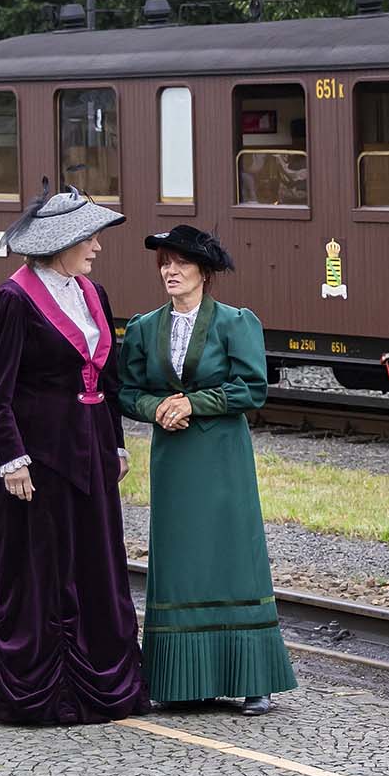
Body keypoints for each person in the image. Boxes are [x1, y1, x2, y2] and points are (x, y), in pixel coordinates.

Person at [0, 187, 146, 727]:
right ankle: (39, 687)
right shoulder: (12, 300)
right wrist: (12, 460)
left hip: (88, 452)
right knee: (40, 568)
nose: (96, 246)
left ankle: (96, 681)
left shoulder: (93, 293)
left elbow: (105, 382)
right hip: (37, 459)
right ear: (59, 242)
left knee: (92, 561)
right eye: (88, 237)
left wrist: (114, 442)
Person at [112, 224, 294, 713]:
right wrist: (156, 409)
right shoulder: (145, 327)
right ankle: (179, 682)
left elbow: (252, 389)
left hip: (221, 458)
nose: (171, 271)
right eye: (164, 264)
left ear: (204, 271)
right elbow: (125, 392)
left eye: (181, 263)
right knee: (179, 560)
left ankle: (253, 679)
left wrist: (194, 403)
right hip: (173, 460)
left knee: (233, 555)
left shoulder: (237, 322)